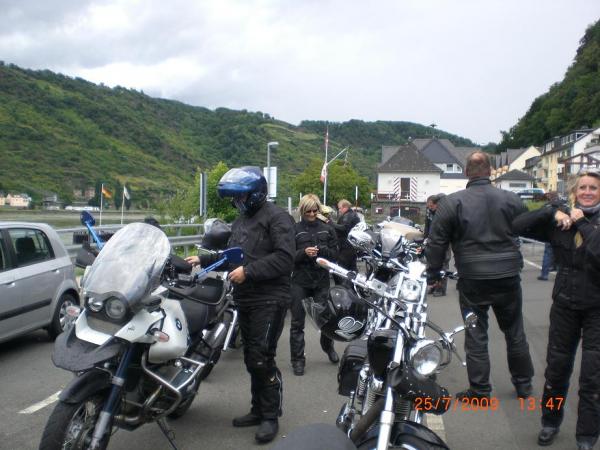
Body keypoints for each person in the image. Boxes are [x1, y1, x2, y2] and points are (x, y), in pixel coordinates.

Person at [185, 166, 294, 444]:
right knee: (250, 359)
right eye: (235, 199)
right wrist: (204, 260)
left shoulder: (278, 218)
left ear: (256, 194)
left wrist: (249, 271)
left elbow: (284, 258)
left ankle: (270, 416)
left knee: (262, 357)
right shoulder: (242, 220)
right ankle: (258, 410)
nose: (237, 203)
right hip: (245, 297)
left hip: (270, 298)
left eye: (241, 198)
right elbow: (233, 254)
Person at [425, 151, 534, 402]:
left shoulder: (452, 203)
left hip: (473, 277)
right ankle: (523, 384)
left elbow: (436, 242)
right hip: (507, 275)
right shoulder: (511, 199)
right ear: (490, 172)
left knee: (476, 333)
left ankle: (481, 390)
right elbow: (529, 227)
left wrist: (433, 273)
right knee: (515, 330)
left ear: (466, 172)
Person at [513, 169, 600, 450]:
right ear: (575, 192)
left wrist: (582, 223)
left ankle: (586, 436)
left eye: (594, 188)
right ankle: (550, 421)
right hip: (564, 305)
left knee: (592, 376)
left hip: (597, 308)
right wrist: (552, 211)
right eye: (582, 187)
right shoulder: (561, 218)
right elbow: (517, 225)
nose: (587, 192)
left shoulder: (591, 222)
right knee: (556, 370)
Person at [289, 194, 339, 376]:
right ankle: (297, 360)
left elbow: (335, 255)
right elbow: (287, 256)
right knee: (297, 322)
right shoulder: (294, 230)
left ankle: (328, 347)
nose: (311, 213)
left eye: (314, 210)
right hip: (300, 280)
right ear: (302, 211)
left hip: (321, 280)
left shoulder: (327, 229)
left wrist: (321, 252)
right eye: (308, 211)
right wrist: (303, 252)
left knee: (325, 320)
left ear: (318, 210)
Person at [328, 199, 360, 284]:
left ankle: (342, 288)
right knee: (352, 269)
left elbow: (343, 229)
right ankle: (353, 288)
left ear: (345, 207)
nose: (339, 210)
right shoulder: (353, 215)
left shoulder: (348, 216)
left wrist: (330, 222)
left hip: (346, 247)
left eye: (340, 208)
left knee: (341, 269)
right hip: (351, 246)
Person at [423, 193, 448, 296]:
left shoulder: (443, 213)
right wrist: (425, 238)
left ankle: (441, 288)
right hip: (431, 241)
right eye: (428, 206)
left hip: (444, 241)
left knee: (443, 263)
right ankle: (433, 285)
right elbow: (427, 226)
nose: (429, 208)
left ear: (436, 204)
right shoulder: (429, 212)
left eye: (431, 206)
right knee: (431, 264)